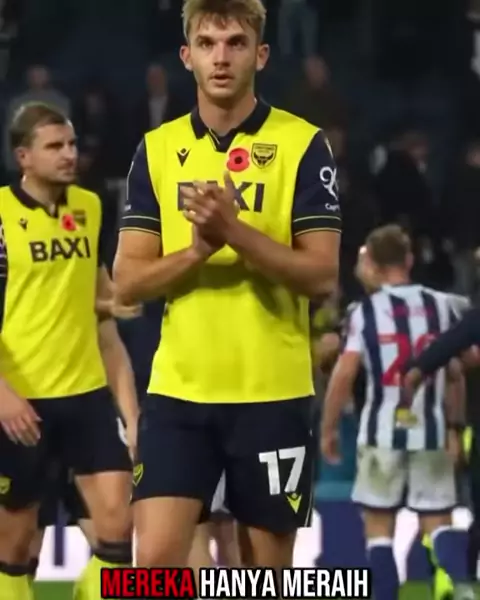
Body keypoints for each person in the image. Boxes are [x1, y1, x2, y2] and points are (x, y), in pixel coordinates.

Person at [114, 0, 340, 571]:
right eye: (208, 44)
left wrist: (233, 231)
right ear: (186, 56)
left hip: (272, 392)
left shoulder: (302, 144)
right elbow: (128, 282)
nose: (221, 58)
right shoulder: (157, 149)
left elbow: (322, 275)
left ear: (260, 55)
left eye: (236, 43)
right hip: (179, 393)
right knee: (153, 566)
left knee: (265, 574)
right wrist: (198, 250)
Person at [0, 102, 134, 600]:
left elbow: (101, 307)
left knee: (119, 526)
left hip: (86, 393)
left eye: (72, 144)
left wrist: (130, 412)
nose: (69, 154)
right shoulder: (1, 215)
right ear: (23, 157)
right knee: (14, 548)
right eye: (55, 146)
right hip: (22, 401)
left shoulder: (90, 207)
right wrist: (3, 395)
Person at [320, 224, 474, 600]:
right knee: (438, 523)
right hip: (432, 430)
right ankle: (464, 590)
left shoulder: (364, 311)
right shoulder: (442, 305)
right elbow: (460, 368)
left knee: (379, 529)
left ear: (371, 263)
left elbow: (344, 374)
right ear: (409, 259)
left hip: (381, 432)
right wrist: (454, 427)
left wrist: (328, 428)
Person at [30, 313, 138, 582]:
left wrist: (132, 420)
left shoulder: (91, 288)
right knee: (18, 547)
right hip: (25, 405)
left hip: (89, 406)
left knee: (119, 537)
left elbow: (109, 340)